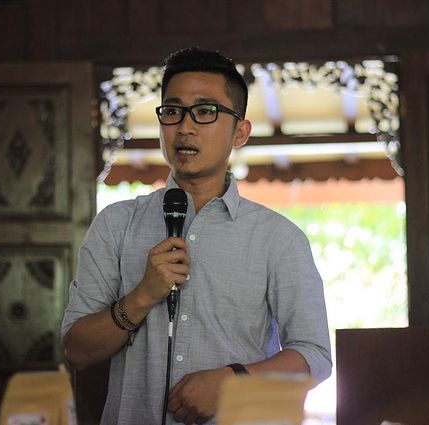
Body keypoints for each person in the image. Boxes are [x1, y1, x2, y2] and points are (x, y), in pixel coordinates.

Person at [61, 47, 331, 425]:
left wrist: (234, 381)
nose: (185, 127)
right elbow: (77, 350)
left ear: (240, 132)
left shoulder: (278, 238)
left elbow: (315, 356)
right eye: (172, 111)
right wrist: (142, 296)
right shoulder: (116, 224)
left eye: (205, 111)